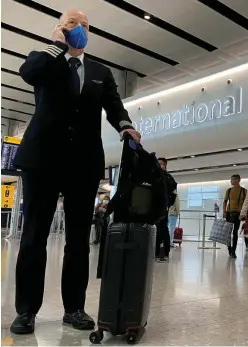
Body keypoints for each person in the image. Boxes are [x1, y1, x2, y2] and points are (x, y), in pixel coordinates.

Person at [10, 9, 142, 334]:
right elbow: (29, 72)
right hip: (42, 160)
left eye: (84, 24)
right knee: (33, 238)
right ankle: (26, 311)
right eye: (72, 23)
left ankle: (75, 308)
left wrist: (125, 126)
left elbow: (114, 105)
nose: (79, 29)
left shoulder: (100, 71)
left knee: (78, 239)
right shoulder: (45, 59)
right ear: (60, 28)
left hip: (83, 164)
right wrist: (57, 44)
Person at [154, 156, 177, 262]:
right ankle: (156, 251)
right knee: (156, 228)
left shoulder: (168, 178)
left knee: (162, 228)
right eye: (158, 163)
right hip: (155, 206)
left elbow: (173, 193)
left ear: (165, 165)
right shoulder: (155, 175)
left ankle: (163, 253)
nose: (159, 165)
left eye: (161, 164)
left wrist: (168, 203)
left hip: (163, 206)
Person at [222, 174, 248, 258]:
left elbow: (246, 203)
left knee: (235, 232)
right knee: (228, 232)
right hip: (229, 213)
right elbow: (225, 201)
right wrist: (224, 211)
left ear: (237, 180)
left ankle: (233, 251)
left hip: (238, 214)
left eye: (232, 180)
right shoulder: (229, 190)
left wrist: (244, 213)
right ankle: (229, 249)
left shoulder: (244, 191)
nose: (231, 181)